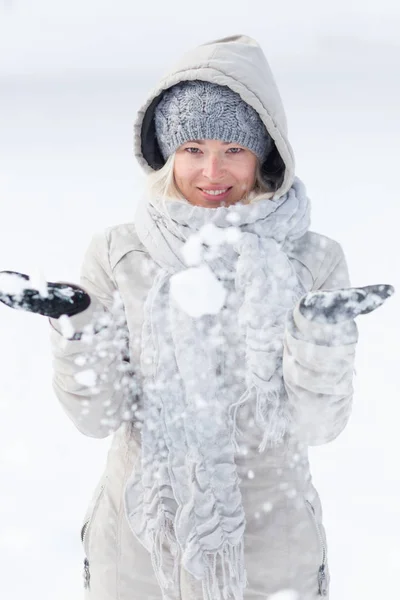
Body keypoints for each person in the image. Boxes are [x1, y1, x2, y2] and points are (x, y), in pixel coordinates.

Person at [0, 34, 394, 600]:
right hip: (138, 551)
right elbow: (98, 416)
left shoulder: (311, 259)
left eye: (234, 150)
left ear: (265, 153)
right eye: (192, 149)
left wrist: (320, 337)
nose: (212, 172)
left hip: (270, 554)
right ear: (167, 153)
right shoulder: (120, 253)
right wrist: (78, 325)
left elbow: (318, 426)